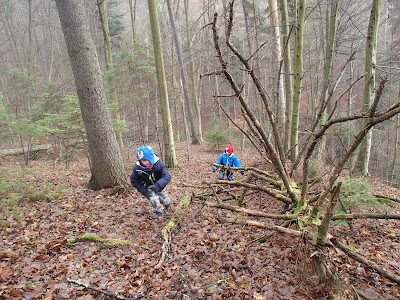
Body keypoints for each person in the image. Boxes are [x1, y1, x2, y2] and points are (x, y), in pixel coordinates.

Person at [130, 145, 172, 220]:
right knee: (153, 199)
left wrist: (158, 185)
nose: (146, 162)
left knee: (163, 195)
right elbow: (133, 180)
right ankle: (159, 211)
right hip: (147, 187)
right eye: (143, 161)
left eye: (147, 160)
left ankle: (168, 204)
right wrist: (144, 190)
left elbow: (167, 176)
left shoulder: (158, 164)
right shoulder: (137, 169)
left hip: (159, 184)